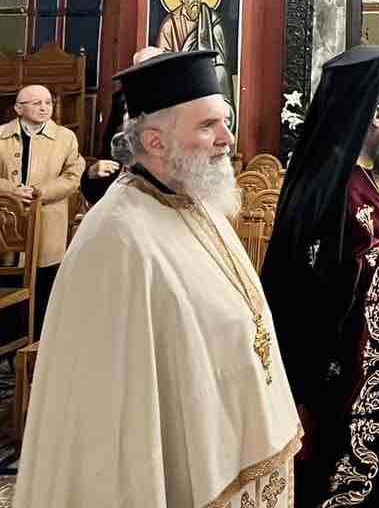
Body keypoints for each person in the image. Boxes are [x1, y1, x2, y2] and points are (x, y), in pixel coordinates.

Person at [16, 50, 299, 506]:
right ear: (155, 141)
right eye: (207, 126)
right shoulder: (116, 237)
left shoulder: (196, 201)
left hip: (227, 445)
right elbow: (111, 426)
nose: (227, 139)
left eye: (226, 122)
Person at [262, 43, 379, 507]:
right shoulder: (339, 186)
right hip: (337, 384)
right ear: (377, 114)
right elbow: (335, 280)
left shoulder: (360, 177)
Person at [0, 84, 85, 327]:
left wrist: (41, 192)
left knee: (44, 285)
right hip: (6, 223)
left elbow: (74, 176)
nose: (44, 107)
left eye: (48, 102)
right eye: (36, 103)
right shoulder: (1, 135)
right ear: (18, 108)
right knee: (9, 282)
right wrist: (11, 190)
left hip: (48, 221)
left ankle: (38, 340)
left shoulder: (65, 137)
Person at [81, 44, 165, 206]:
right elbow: (108, 152)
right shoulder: (121, 99)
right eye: (141, 70)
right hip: (122, 189)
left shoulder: (179, 104)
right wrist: (92, 174)